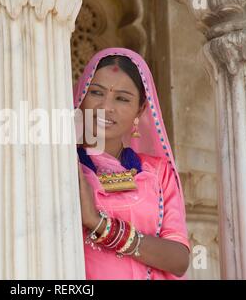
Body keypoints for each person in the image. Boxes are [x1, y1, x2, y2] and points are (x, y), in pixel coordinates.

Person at [75, 48, 190, 280]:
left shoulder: (157, 173)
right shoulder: (64, 167)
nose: (106, 107)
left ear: (140, 109)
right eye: (96, 92)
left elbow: (179, 259)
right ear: (81, 97)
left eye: (122, 98)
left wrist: (98, 224)